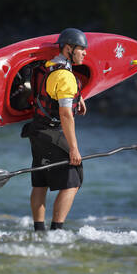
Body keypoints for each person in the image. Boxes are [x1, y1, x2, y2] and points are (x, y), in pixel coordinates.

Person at [22, 28, 88, 231]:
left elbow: (51, 90)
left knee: (40, 181)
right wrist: (74, 149)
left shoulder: (47, 67)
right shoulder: (66, 77)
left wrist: (80, 98)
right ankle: (56, 231)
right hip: (52, 132)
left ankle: (39, 231)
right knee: (74, 179)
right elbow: (66, 114)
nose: (85, 53)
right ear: (69, 48)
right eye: (81, 49)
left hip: (36, 131)